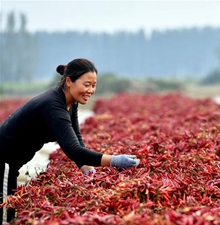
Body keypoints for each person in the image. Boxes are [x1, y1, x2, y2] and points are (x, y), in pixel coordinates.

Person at [0, 58, 140, 224]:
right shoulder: (53, 105)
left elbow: (76, 139)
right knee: (6, 216)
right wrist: (115, 160)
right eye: (86, 84)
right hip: (3, 162)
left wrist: (88, 170)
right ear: (69, 81)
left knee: (10, 213)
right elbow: (72, 149)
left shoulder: (70, 102)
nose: (91, 90)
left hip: (11, 165)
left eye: (94, 85)